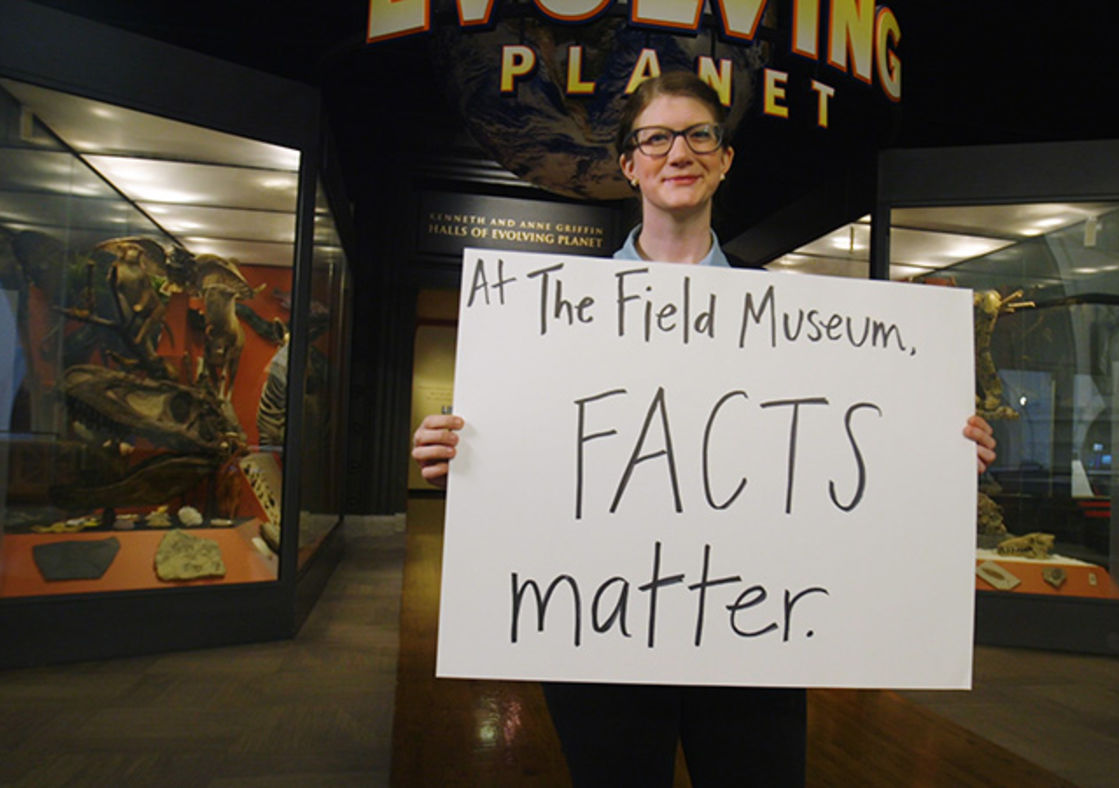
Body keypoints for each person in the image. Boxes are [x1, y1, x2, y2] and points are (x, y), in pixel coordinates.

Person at [413, 71, 998, 787]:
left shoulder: (797, 324)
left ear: (725, 158)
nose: (678, 152)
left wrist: (937, 453)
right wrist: (455, 454)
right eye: (655, 138)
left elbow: (835, 457)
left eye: (698, 136)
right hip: (598, 636)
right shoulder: (547, 318)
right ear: (629, 164)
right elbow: (526, 460)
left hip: (751, 637)